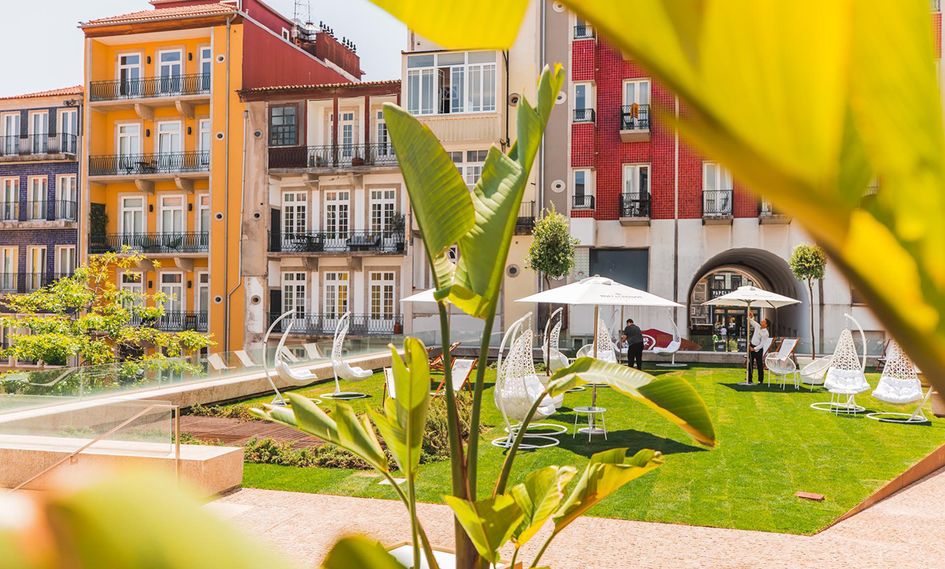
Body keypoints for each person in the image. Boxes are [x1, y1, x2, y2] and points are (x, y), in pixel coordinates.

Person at [745, 315, 770, 385]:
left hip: (758, 349)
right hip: (751, 347)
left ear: (766, 324)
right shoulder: (757, 326)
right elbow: (750, 321)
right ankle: (749, 379)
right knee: (750, 364)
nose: (761, 321)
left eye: (763, 321)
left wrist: (754, 349)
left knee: (759, 365)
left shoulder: (766, 333)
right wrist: (751, 316)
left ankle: (760, 381)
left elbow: (762, 344)